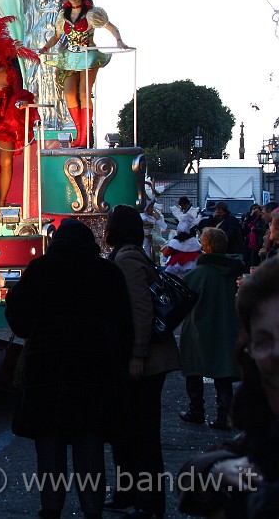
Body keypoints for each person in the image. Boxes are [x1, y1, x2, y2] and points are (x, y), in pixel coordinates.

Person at [5, 218, 133, 519]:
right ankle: (92, 509)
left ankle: (51, 507)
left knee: (49, 441)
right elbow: (125, 324)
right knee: (90, 441)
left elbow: (18, 316)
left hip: (47, 369)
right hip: (94, 370)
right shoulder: (108, 273)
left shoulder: (40, 270)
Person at [176, 257, 279, 518]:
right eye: (264, 341)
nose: (276, 353)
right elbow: (190, 476)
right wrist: (216, 469)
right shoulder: (263, 433)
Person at [104, 204, 181, 519]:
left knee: (142, 434)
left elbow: (140, 309)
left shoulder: (127, 259)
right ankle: (130, 494)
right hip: (144, 358)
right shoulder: (134, 254)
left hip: (144, 360)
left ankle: (148, 503)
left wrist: (137, 354)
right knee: (129, 430)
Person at [38, 0, 128, 149]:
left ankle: (85, 137)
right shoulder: (63, 15)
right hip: (70, 57)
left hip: (87, 55)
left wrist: (119, 40)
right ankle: (79, 134)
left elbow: (111, 27)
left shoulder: (92, 14)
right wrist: (44, 48)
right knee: (70, 93)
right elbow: (56, 36)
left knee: (84, 93)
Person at [178, 227, 244, 430]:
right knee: (223, 373)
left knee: (194, 370)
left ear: (205, 246)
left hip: (198, 328)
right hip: (226, 327)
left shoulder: (197, 274)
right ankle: (225, 415)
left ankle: (196, 410)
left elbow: (182, 301)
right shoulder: (234, 270)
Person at [0, 15, 39, 217]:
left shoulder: (11, 74)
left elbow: (18, 94)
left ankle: (3, 202)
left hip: (6, 125)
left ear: (0, 56)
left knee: (6, 163)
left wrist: (22, 103)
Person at [162, 196, 202, 277]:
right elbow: (199, 253)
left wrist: (165, 256)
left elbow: (167, 253)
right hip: (191, 269)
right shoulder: (194, 242)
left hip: (175, 267)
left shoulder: (174, 242)